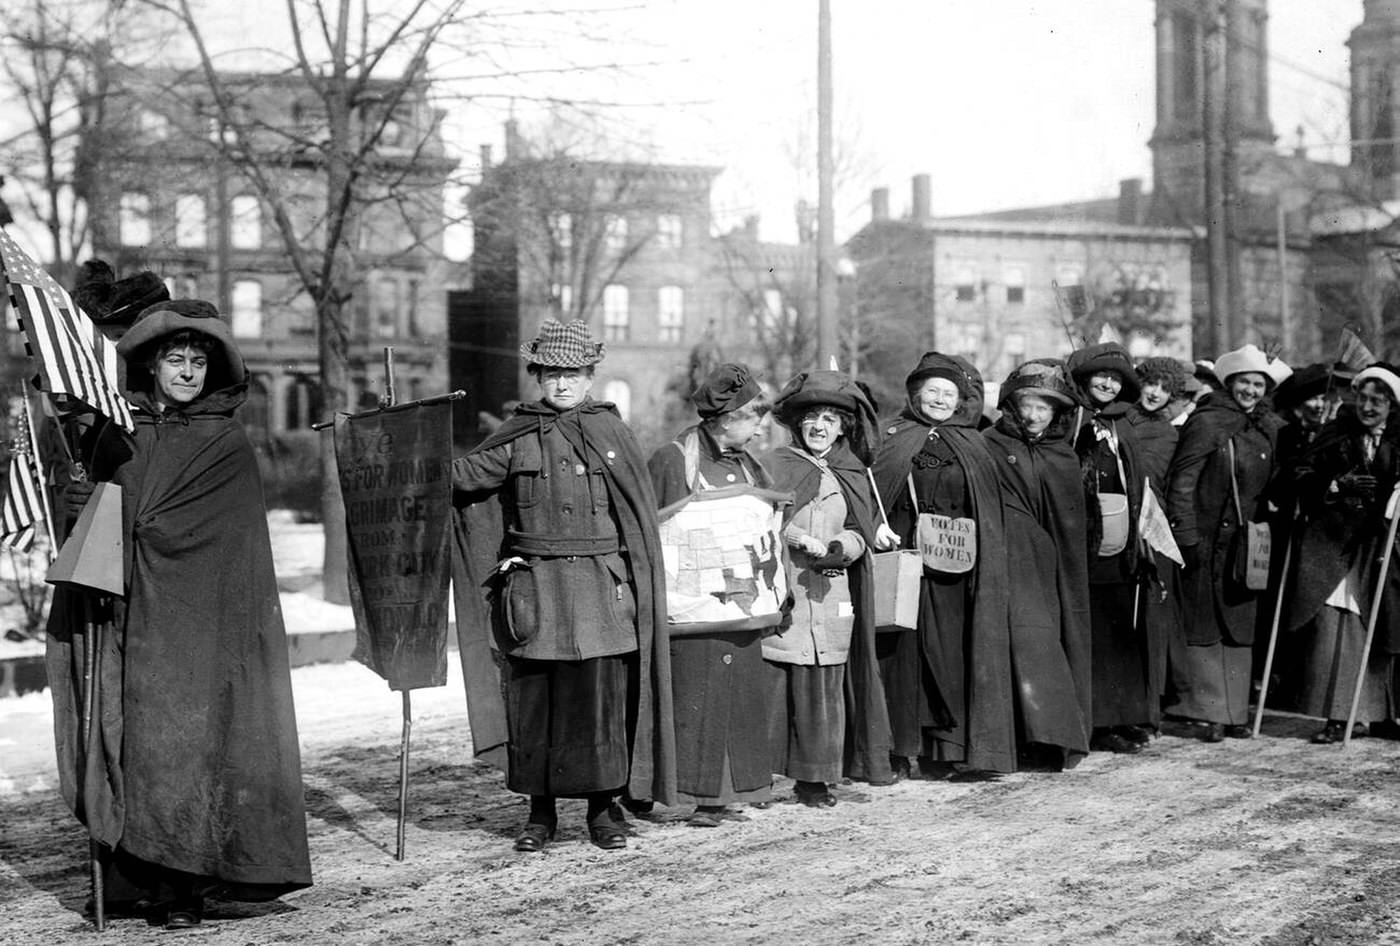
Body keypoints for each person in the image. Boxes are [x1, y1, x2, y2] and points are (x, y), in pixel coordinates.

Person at [46, 299, 311, 929]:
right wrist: (78, 499)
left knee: (190, 745)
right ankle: (135, 879)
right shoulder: (117, 433)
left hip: (202, 628)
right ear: (151, 366)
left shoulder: (226, 443)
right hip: (128, 617)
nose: (188, 373)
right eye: (175, 360)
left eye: (197, 362)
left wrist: (139, 526)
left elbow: (221, 538)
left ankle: (186, 887)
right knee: (129, 741)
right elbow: (88, 529)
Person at [451, 319, 672, 852]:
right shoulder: (516, 436)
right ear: (537, 376)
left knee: (600, 704)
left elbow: (638, 521)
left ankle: (603, 811)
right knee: (536, 708)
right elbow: (460, 477)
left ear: (591, 375)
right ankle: (540, 816)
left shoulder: (613, 435)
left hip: (601, 593)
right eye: (551, 374)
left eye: (572, 373)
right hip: (536, 596)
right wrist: (407, 445)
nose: (562, 385)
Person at [870, 352, 1016, 778]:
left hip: (956, 567)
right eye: (931, 391)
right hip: (907, 562)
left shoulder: (974, 444)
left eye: (947, 393)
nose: (938, 399)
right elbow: (873, 491)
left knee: (952, 655)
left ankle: (946, 752)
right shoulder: (893, 437)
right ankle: (898, 749)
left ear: (959, 401)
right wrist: (879, 526)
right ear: (915, 395)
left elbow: (988, 508)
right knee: (902, 656)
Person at [647, 363, 777, 826]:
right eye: (754, 418)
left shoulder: (744, 461)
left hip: (740, 609)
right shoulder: (673, 458)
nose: (761, 428)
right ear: (726, 418)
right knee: (695, 698)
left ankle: (725, 794)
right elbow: (654, 531)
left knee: (737, 698)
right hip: (693, 611)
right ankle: (686, 793)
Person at [764, 370, 898, 805]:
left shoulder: (852, 472)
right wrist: (791, 537)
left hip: (832, 592)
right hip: (786, 591)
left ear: (843, 427)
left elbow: (862, 530)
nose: (819, 426)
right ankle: (759, 776)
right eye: (811, 418)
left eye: (829, 419)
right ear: (798, 424)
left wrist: (841, 546)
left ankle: (815, 779)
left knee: (823, 687)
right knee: (779, 681)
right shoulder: (775, 465)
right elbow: (754, 523)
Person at [1165, 344, 1290, 742]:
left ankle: (1236, 712)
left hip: (1245, 542)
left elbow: (1276, 482)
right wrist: (1184, 532)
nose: (1250, 391)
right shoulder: (1208, 421)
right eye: (1244, 382)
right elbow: (1183, 479)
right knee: (1205, 623)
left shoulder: (1269, 428)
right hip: (1203, 538)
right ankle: (1209, 712)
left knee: (1239, 623)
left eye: (1258, 384)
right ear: (1230, 382)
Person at [983, 361, 1092, 770]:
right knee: (1024, 643)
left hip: (1056, 569)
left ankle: (1055, 739)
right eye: (1027, 405)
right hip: (1011, 563)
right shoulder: (989, 444)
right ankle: (1026, 737)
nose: (1033, 416)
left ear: (1056, 413)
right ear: (1011, 405)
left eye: (1044, 408)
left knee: (1057, 640)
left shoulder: (1061, 453)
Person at [1285, 364, 1400, 743]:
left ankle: (1382, 714)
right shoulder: (1336, 433)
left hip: (1382, 547)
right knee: (1336, 624)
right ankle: (1338, 715)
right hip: (1334, 543)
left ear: (1392, 405)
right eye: (1363, 398)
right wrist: (1333, 484)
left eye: (1378, 401)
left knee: (1383, 624)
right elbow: (1299, 473)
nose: (1368, 407)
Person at [1067, 341, 1155, 754]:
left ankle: (1123, 714)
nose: (1107, 383)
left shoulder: (1123, 424)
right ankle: (1098, 722)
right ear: (1085, 379)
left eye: (1116, 378)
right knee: (1095, 632)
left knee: (1121, 629)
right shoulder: (1072, 418)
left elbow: (1136, 480)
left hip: (1120, 541)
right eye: (1101, 376)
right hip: (1084, 540)